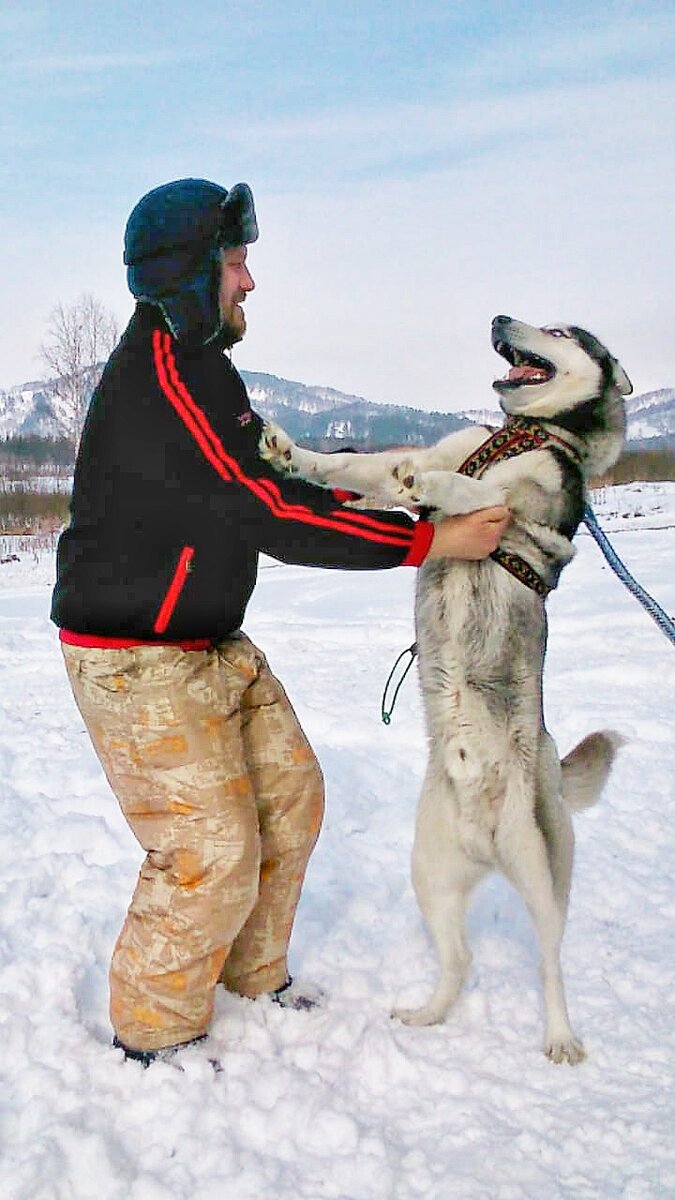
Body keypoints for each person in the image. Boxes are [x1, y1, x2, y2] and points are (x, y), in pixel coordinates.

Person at [51, 177, 510, 1066]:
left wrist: (413, 485)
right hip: (133, 658)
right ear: (190, 275)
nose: (250, 281)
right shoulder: (161, 379)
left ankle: (248, 978)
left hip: (206, 640)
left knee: (290, 802)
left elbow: (279, 474)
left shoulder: (200, 369)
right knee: (207, 849)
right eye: (235, 263)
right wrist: (428, 544)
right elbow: (264, 510)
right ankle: (154, 1043)